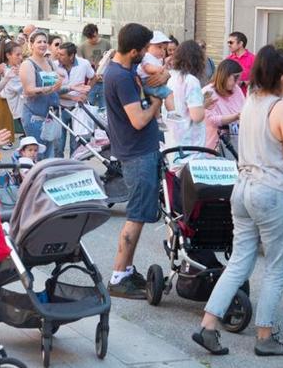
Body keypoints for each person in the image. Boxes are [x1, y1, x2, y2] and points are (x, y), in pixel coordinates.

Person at [194, 45, 283, 357]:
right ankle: (265, 335)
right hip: (271, 191)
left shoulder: (251, 101)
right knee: (276, 266)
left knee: (239, 262)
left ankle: (208, 326)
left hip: (243, 188)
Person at [103, 23, 168, 299]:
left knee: (140, 215)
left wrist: (160, 78)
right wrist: (156, 103)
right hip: (137, 153)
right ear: (133, 50)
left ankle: (126, 271)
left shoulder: (125, 70)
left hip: (140, 150)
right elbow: (138, 120)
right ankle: (119, 275)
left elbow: (161, 74)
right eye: (143, 50)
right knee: (136, 216)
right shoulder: (121, 77)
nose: (146, 54)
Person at [19, 30, 63, 159]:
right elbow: (29, 90)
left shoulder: (50, 63)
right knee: (37, 156)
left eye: (45, 42)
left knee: (49, 155)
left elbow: (57, 87)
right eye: (39, 42)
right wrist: (49, 88)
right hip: (34, 118)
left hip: (50, 117)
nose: (43, 44)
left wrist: (72, 88)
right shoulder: (28, 64)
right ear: (31, 45)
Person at [53, 42, 93, 157]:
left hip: (77, 109)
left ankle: (73, 169)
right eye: (58, 53)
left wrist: (87, 91)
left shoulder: (84, 64)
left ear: (71, 56)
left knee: (76, 145)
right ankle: (59, 170)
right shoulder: (54, 66)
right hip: (60, 109)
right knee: (58, 145)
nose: (58, 56)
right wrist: (74, 96)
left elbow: (94, 77)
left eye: (61, 55)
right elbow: (54, 91)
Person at [165, 40, 207, 148]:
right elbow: (197, 116)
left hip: (172, 140)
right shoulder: (191, 81)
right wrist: (204, 104)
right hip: (190, 144)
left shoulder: (171, 78)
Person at [203, 59, 244, 151]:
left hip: (234, 144)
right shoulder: (208, 92)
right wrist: (235, 117)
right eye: (235, 78)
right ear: (225, 76)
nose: (238, 82)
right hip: (214, 145)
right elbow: (211, 120)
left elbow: (243, 108)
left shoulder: (237, 90)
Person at [0, 39, 25, 138]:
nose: (21, 58)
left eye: (21, 55)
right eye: (17, 55)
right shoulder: (7, 71)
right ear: (8, 55)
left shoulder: (19, 67)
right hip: (15, 106)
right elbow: (17, 88)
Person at [79, 23, 110, 108]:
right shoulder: (82, 47)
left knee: (104, 107)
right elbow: (80, 65)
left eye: (94, 36)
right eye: (90, 38)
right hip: (91, 82)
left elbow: (111, 59)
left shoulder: (106, 43)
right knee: (89, 106)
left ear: (97, 33)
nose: (93, 39)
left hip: (104, 81)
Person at [137, 31, 173, 101]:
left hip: (154, 84)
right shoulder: (147, 56)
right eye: (159, 47)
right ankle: (172, 111)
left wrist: (166, 69)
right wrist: (160, 69)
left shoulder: (158, 59)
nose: (162, 51)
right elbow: (147, 68)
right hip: (148, 84)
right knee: (169, 94)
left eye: (164, 49)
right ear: (148, 46)